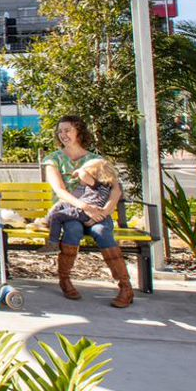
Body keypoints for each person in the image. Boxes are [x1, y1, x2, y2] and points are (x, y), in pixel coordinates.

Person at [43, 115, 131, 308]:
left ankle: (125, 286)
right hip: (70, 210)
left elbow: (115, 188)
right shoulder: (53, 160)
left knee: (102, 231)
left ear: (79, 131)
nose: (63, 134)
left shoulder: (96, 160)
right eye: (60, 131)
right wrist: (85, 207)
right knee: (73, 230)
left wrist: (105, 211)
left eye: (68, 130)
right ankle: (65, 280)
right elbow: (60, 191)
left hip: (98, 211)